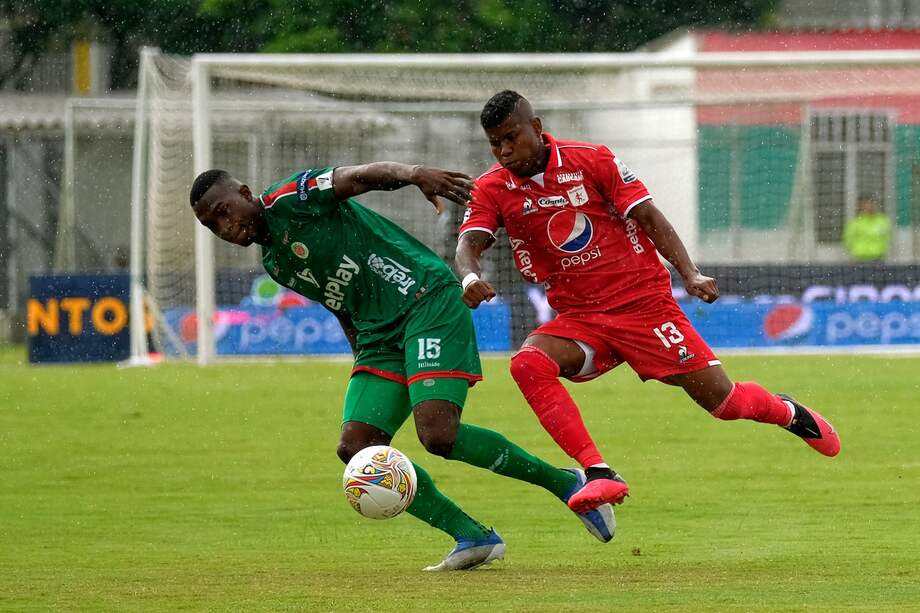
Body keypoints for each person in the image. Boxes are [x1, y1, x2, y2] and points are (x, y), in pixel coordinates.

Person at [189, 161, 617, 571]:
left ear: (245, 193)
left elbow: (359, 177)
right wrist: (362, 355)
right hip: (377, 337)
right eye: (213, 225)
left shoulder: (291, 198)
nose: (226, 227)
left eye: (225, 211)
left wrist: (415, 175)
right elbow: (339, 304)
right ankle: (474, 536)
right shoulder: (276, 263)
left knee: (438, 434)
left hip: (425, 298)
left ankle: (565, 483)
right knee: (355, 448)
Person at [455, 90, 841, 514]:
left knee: (726, 404)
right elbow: (469, 243)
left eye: (512, 137)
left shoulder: (593, 160)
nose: (504, 150)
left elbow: (649, 217)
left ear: (538, 128)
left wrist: (689, 272)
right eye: (495, 143)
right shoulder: (493, 187)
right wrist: (470, 275)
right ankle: (598, 471)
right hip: (581, 319)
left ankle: (788, 413)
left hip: (645, 307)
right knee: (527, 363)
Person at [843, 195, 891, 261]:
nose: (870, 207)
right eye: (867, 204)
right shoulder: (855, 222)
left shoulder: (883, 221)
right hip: (859, 258)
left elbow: (888, 238)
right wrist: (854, 251)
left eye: (872, 204)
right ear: (862, 206)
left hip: (878, 257)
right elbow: (848, 240)